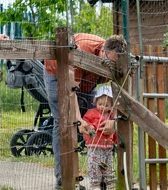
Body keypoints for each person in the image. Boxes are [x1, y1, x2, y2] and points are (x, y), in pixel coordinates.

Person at [43, 33, 127, 189]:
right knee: (63, 120)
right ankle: (64, 179)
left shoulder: (119, 58)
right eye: (109, 62)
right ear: (103, 50)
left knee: (91, 120)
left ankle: (98, 175)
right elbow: (71, 89)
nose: (111, 66)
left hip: (87, 79)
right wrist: (78, 119)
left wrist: (113, 119)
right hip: (57, 74)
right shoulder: (82, 50)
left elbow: (119, 90)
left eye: (114, 64)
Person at [82, 85, 118, 190]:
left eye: (106, 105)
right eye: (100, 104)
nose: (102, 107)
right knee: (94, 168)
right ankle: (95, 185)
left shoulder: (112, 117)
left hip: (108, 147)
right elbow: (86, 123)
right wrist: (90, 128)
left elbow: (115, 131)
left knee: (108, 168)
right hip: (94, 146)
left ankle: (110, 185)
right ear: (95, 102)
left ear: (111, 106)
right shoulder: (91, 113)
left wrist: (116, 140)